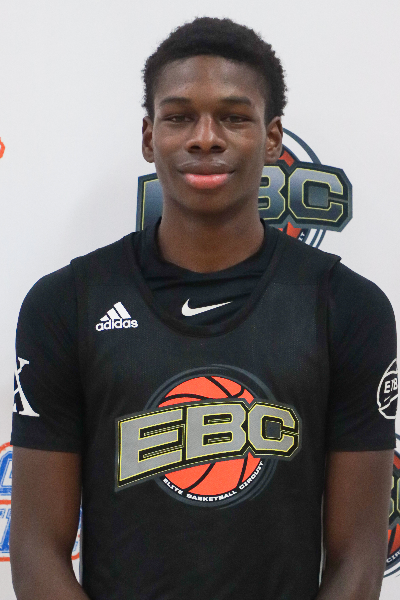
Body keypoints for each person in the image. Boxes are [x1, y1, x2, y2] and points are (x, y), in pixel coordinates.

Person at [10, 17, 397, 600]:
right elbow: (36, 550)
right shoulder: (65, 304)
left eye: (234, 117)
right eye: (179, 117)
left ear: (272, 139)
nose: (206, 138)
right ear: (149, 137)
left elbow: (359, 559)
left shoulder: (348, 308)